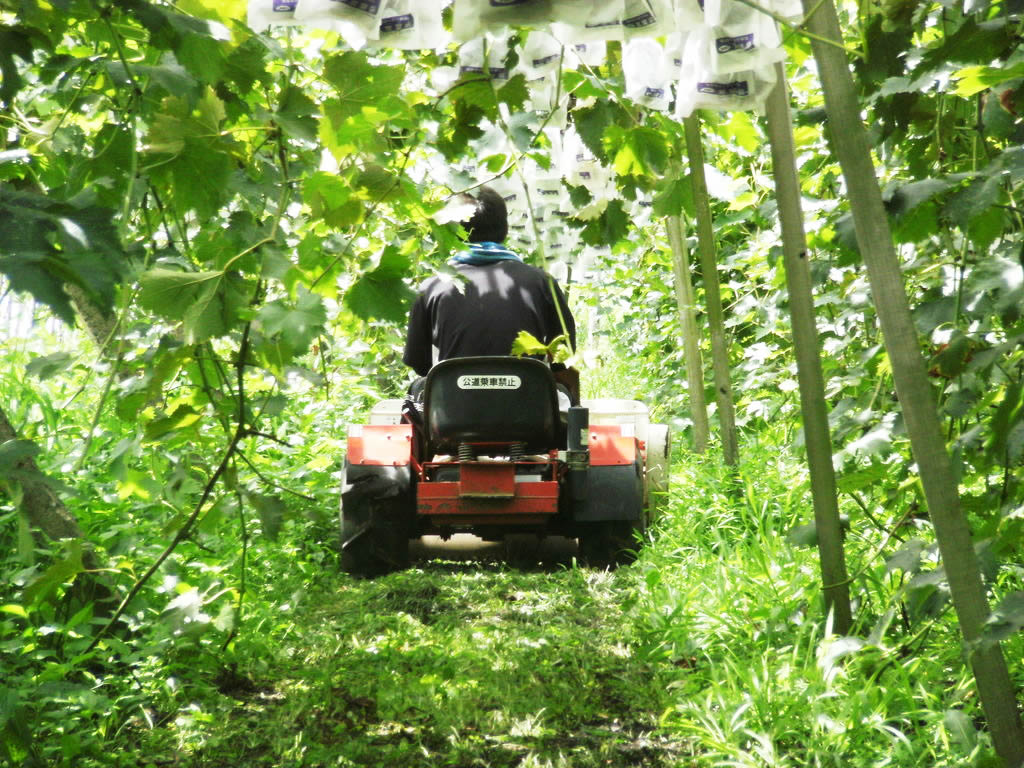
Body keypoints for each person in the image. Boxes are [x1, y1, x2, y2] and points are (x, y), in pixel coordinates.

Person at [402, 185, 576, 377]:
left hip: (455, 406)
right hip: (526, 404)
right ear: (506, 229)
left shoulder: (432, 287)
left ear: (454, 231)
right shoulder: (542, 282)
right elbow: (563, 358)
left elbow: (420, 365)